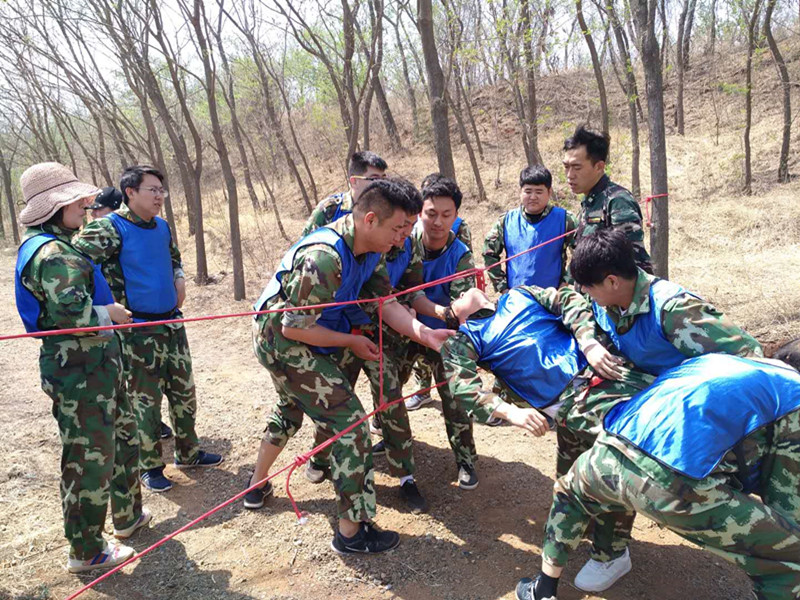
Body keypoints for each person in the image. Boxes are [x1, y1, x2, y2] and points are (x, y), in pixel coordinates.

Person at [243, 177, 453, 554]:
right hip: (282, 339)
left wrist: (426, 335)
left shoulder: (373, 249)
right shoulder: (325, 257)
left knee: (293, 407)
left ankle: (256, 484)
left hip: (313, 330)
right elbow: (294, 328)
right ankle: (351, 533)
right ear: (370, 219)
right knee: (352, 423)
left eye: (408, 229)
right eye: (398, 229)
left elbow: (385, 303)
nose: (402, 239)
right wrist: (352, 341)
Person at [516, 353, 800, 600]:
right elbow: (785, 493)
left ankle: (543, 589)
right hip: (677, 487)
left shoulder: (713, 361)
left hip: (608, 453)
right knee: (792, 556)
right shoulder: (793, 391)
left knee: (569, 494)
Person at [441, 286, 654, 589]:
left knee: (610, 465)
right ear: (458, 318)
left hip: (604, 375)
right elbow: (464, 387)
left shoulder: (519, 294)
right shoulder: (465, 340)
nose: (463, 290)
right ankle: (596, 539)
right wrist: (509, 412)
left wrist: (588, 341)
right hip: (571, 406)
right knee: (579, 474)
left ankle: (611, 552)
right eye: (457, 298)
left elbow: (568, 299)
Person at [14, 162, 150, 573]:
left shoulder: (59, 243)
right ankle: (86, 550)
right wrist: (110, 313)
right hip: (80, 373)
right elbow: (73, 315)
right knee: (89, 458)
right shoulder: (53, 253)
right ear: (52, 207)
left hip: (97, 367)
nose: (85, 205)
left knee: (122, 438)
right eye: (75, 200)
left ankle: (127, 517)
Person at [73, 165, 223, 493]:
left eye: (161, 190)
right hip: (137, 331)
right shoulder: (109, 228)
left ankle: (189, 452)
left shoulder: (162, 226)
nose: (159, 196)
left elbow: (173, 258)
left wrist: (180, 278)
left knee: (184, 392)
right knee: (145, 401)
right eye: (152, 190)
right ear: (130, 192)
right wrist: (103, 307)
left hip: (171, 323)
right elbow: (73, 262)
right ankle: (151, 465)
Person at [569, 228, 763, 377]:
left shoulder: (675, 311)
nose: (584, 290)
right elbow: (568, 301)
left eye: (588, 286)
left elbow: (749, 358)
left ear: (612, 281)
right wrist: (589, 343)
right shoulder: (604, 301)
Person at [84, 186, 174, 441]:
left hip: (139, 321)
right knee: (129, 381)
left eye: (98, 210)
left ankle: (149, 427)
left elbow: (168, 259)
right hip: (111, 321)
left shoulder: (144, 228)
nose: (94, 215)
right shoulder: (99, 236)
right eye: (91, 211)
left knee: (141, 381)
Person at [563, 125, 653, 273]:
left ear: (599, 167)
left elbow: (632, 266)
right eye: (566, 167)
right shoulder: (590, 202)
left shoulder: (617, 201)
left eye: (577, 168)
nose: (569, 175)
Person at [483, 165, 577, 293]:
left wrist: (565, 283)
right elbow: (489, 253)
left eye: (539, 192)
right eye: (528, 191)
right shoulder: (506, 221)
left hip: (553, 296)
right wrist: (502, 288)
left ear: (549, 192)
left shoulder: (565, 219)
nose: (533, 197)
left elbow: (581, 252)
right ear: (520, 192)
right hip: (516, 297)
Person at [300, 151, 387, 236]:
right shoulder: (329, 210)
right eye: (375, 179)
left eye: (383, 179)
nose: (382, 184)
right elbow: (306, 243)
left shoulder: (387, 209)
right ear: (354, 181)